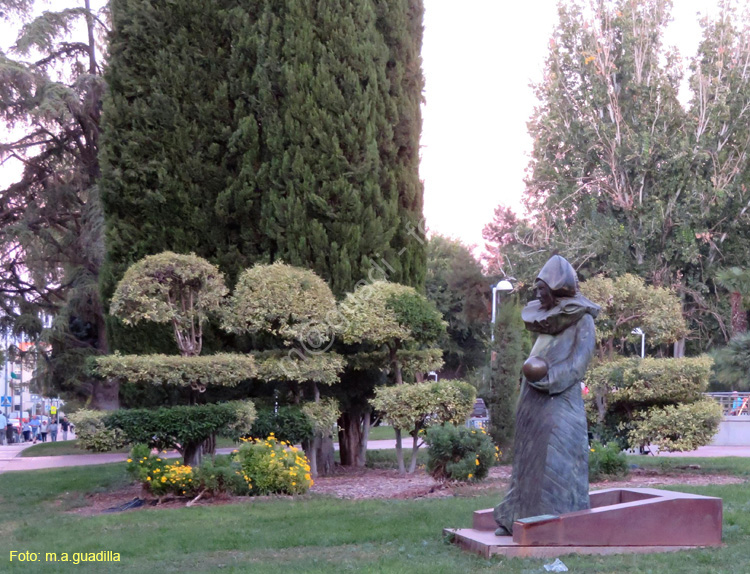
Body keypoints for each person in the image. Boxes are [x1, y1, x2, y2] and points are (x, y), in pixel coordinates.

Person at [494, 255, 600, 535]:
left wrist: (549, 378)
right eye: (537, 289)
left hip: (561, 400)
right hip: (532, 399)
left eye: (542, 288)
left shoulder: (583, 320)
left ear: (557, 288)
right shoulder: (546, 320)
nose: (537, 293)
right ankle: (515, 515)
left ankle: (557, 519)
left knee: (557, 457)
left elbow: (578, 363)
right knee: (528, 458)